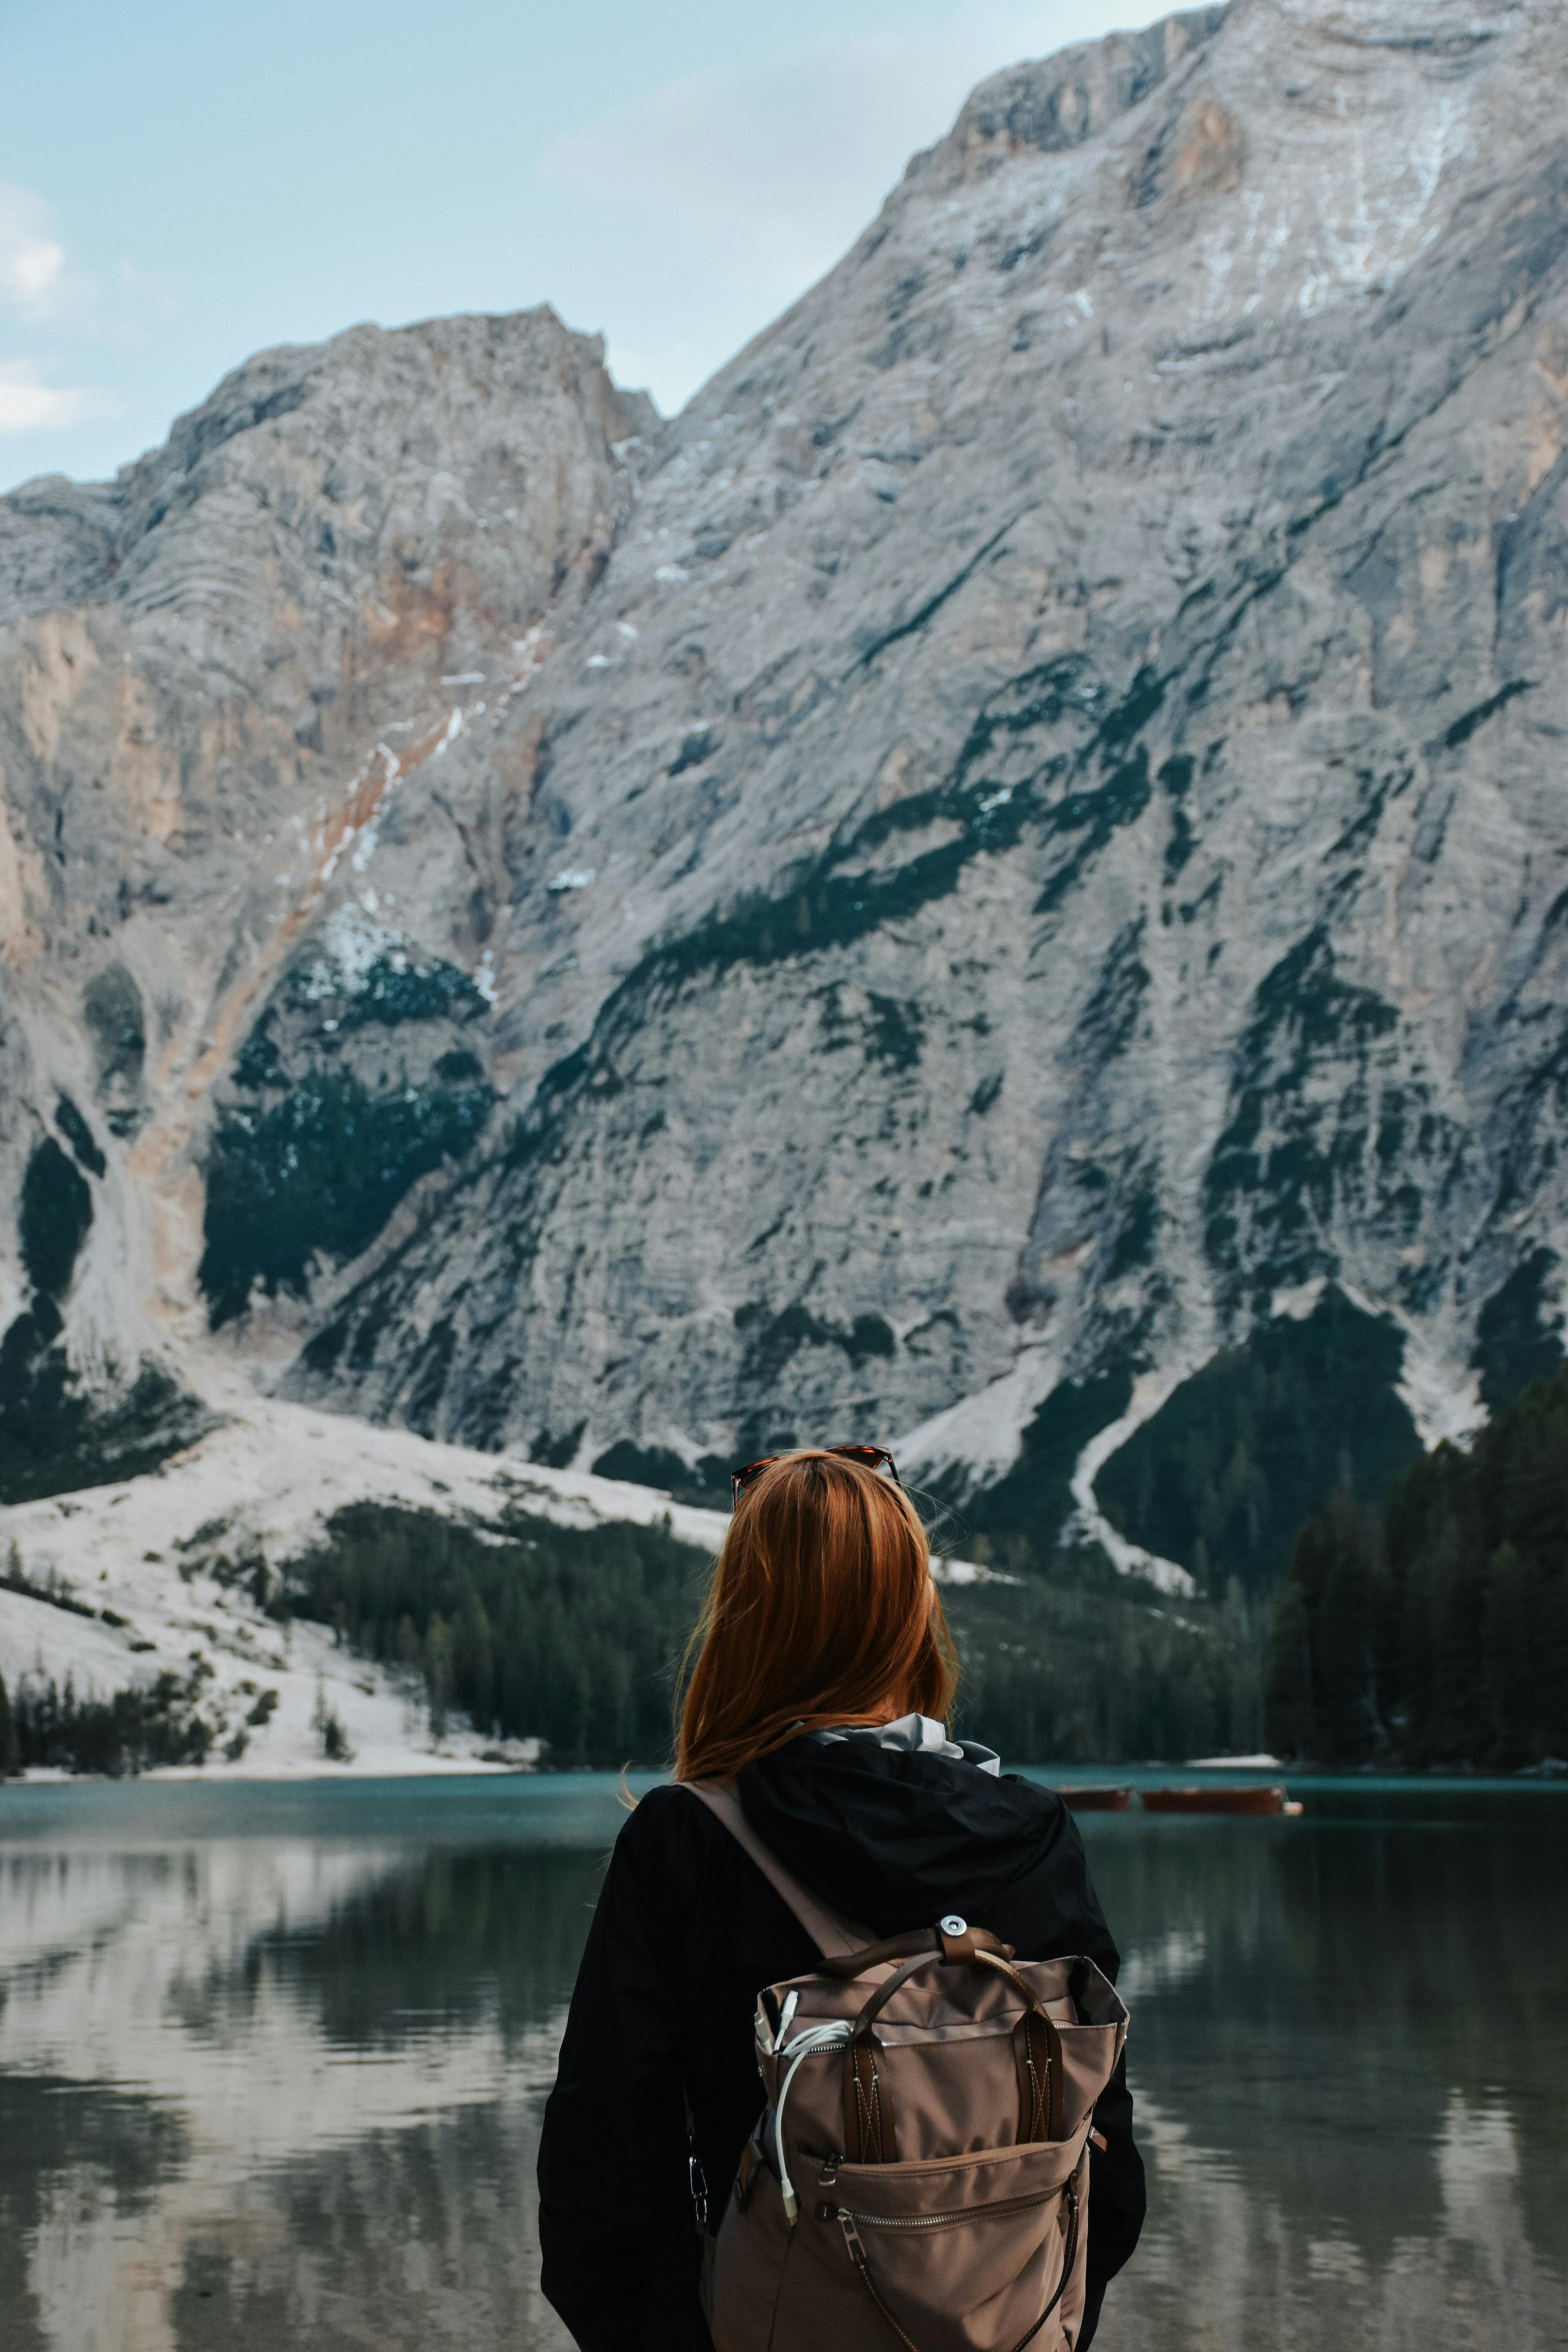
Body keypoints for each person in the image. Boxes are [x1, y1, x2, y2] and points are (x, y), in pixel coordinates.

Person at [537, 1445, 1145, 2350]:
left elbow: (601, 2191)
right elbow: (1108, 2171)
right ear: (914, 1609)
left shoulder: (686, 1839)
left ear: (746, 1619)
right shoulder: (1034, 1834)